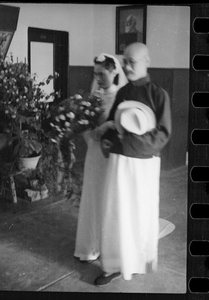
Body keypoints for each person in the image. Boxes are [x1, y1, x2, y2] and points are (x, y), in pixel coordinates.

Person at [94, 42, 172, 285]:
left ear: (147, 61)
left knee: (138, 214)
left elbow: (162, 134)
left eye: (132, 61)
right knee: (115, 213)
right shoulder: (123, 93)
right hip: (119, 163)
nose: (126, 66)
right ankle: (114, 265)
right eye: (124, 61)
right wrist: (108, 140)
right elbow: (112, 123)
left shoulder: (159, 95)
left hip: (142, 165)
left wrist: (127, 142)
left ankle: (136, 262)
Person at [73, 53, 128, 262]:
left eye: (102, 73)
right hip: (94, 152)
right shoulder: (94, 96)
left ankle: (108, 247)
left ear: (114, 71)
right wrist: (87, 133)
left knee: (108, 197)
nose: (98, 79)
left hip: (110, 153)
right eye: (95, 74)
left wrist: (106, 131)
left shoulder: (119, 96)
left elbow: (120, 125)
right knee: (93, 195)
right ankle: (90, 246)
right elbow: (85, 122)